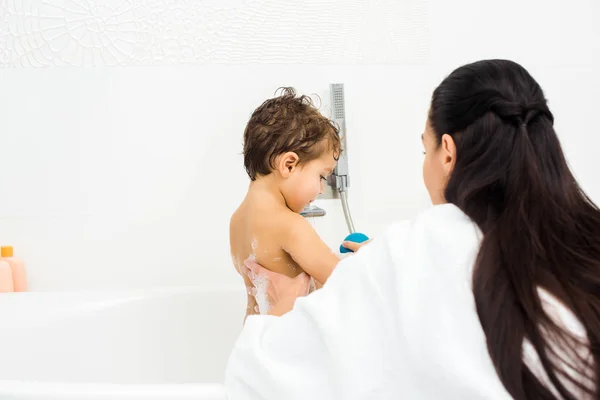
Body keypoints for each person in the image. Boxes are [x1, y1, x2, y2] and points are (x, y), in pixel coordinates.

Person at [225, 60, 600, 399]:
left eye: (425, 151)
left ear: (448, 153)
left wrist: (370, 269)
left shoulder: (415, 247)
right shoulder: (582, 237)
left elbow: (253, 378)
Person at [230, 87, 341, 318]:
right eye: (321, 176)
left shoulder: (237, 222)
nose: (321, 189)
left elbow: (258, 305)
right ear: (288, 164)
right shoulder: (290, 226)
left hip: (257, 339)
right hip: (291, 347)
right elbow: (346, 282)